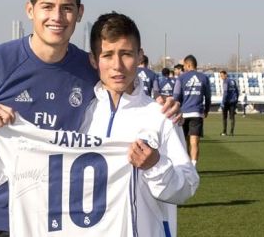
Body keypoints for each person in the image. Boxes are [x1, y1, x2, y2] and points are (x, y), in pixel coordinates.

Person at [0, 0, 180, 236]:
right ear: (30, 10)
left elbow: (122, 83)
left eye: (66, 8)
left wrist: (160, 105)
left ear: (79, 13)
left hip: (56, 221)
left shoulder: (89, 68)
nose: (57, 17)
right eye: (47, 6)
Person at [80, 12, 199, 237]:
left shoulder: (161, 114)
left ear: (140, 55)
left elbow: (188, 185)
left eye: (126, 54)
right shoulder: (82, 115)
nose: (117, 65)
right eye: (107, 55)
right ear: (94, 60)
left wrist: (156, 165)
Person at [173, 55, 211, 167]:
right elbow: (208, 97)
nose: (183, 68)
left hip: (183, 114)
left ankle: (184, 166)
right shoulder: (204, 78)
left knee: (183, 142)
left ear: (189, 65)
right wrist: (206, 110)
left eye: (184, 65)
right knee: (194, 142)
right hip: (197, 113)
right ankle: (193, 167)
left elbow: (176, 97)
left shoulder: (181, 78)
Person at [219, 70, 239, 136]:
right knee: (232, 117)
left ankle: (224, 132)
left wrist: (223, 102)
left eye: (222, 75)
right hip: (233, 102)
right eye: (220, 76)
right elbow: (237, 91)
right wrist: (236, 100)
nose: (221, 77)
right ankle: (231, 132)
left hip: (227, 102)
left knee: (224, 117)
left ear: (225, 75)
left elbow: (225, 93)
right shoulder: (233, 81)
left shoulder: (225, 82)